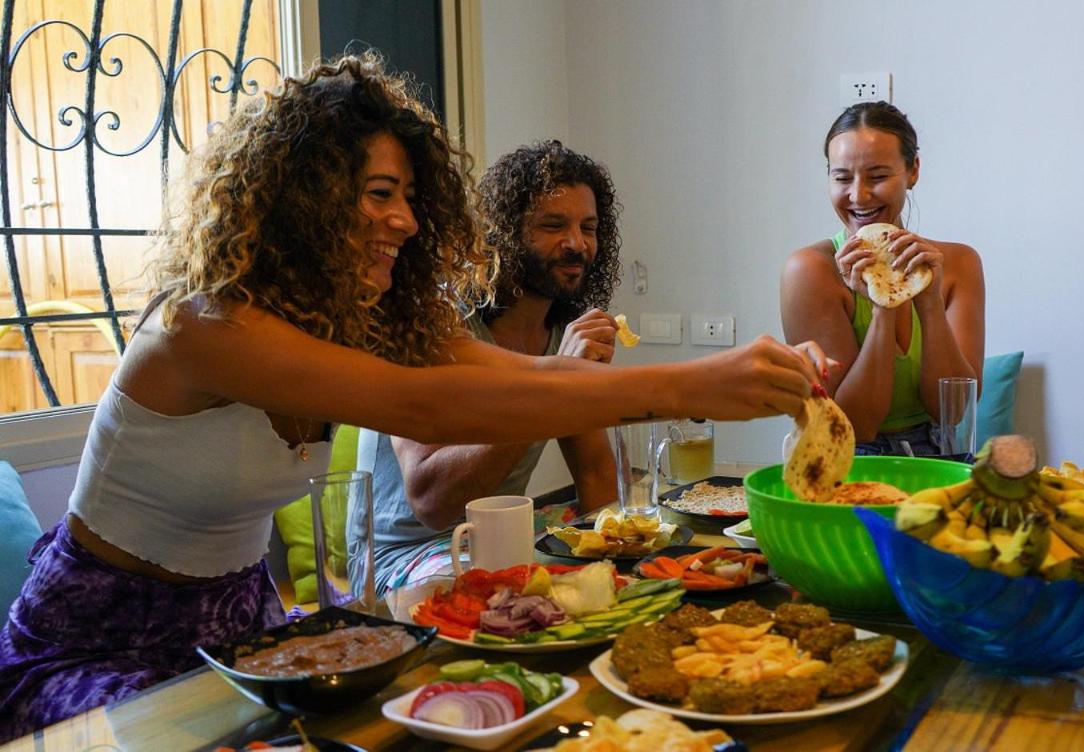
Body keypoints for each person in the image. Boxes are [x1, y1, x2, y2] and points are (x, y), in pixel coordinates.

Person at [0, 54, 829, 739]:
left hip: (247, 629)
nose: (403, 220)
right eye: (378, 194)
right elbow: (429, 407)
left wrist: (725, 375)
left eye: (408, 198)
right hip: (96, 637)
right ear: (304, 198)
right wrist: (696, 386)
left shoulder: (353, 322)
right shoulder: (203, 328)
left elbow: (529, 375)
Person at [358, 140, 623, 591]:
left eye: (589, 227)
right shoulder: (430, 321)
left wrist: (623, 560)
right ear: (505, 233)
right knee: (527, 596)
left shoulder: (560, 333)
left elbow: (596, 473)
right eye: (553, 225)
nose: (577, 244)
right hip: (407, 555)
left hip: (499, 537)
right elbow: (431, 502)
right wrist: (554, 384)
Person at [780, 101, 984, 456]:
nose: (858, 195)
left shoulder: (959, 264)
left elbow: (953, 412)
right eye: (842, 178)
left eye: (877, 176)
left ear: (913, 170)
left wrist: (929, 303)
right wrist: (883, 306)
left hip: (943, 454)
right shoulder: (810, 271)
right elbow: (855, 425)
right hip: (852, 456)